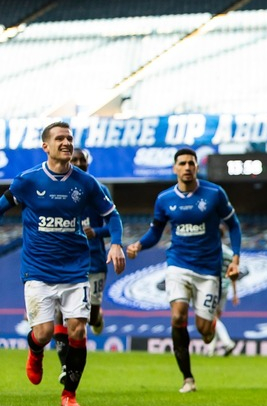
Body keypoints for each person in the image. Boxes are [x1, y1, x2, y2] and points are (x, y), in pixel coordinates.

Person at [0, 122, 125, 406]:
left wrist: (116, 242)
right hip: (38, 271)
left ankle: (69, 394)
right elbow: (3, 205)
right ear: (46, 146)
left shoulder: (86, 183)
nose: (67, 142)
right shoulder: (27, 181)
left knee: (78, 330)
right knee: (43, 334)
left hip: (75, 271)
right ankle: (35, 351)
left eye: (69, 137)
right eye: (60, 138)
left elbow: (112, 215)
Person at [126, 147, 241, 393]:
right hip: (178, 264)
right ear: (175, 168)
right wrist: (139, 244)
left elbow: (234, 225)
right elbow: (156, 232)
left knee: (205, 331)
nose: (187, 167)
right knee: (177, 315)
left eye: (191, 163)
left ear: (197, 167)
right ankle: (187, 378)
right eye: (182, 163)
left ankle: (209, 330)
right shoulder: (164, 199)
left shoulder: (214, 193)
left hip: (209, 270)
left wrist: (236, 258)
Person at [53, 148, 116, 384]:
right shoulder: (60, 190)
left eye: (82, 160)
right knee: (62, 313)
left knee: (91, 314)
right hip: (68, 262)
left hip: (95, 261)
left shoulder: (98, 190)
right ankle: (65, 366)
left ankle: (98, 319)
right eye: (75, 159)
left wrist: (96, 231)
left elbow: (113, 223)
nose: (78, 162)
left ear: (88, 163)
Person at [204, 229, 240, 357]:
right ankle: (211, 350)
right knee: (215, 319)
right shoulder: (229, 253)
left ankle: (227, 343)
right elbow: (233, 274)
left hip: (212, 286)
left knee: (210, 318)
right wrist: (235, 294)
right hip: (225, 287)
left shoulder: (211, 251)